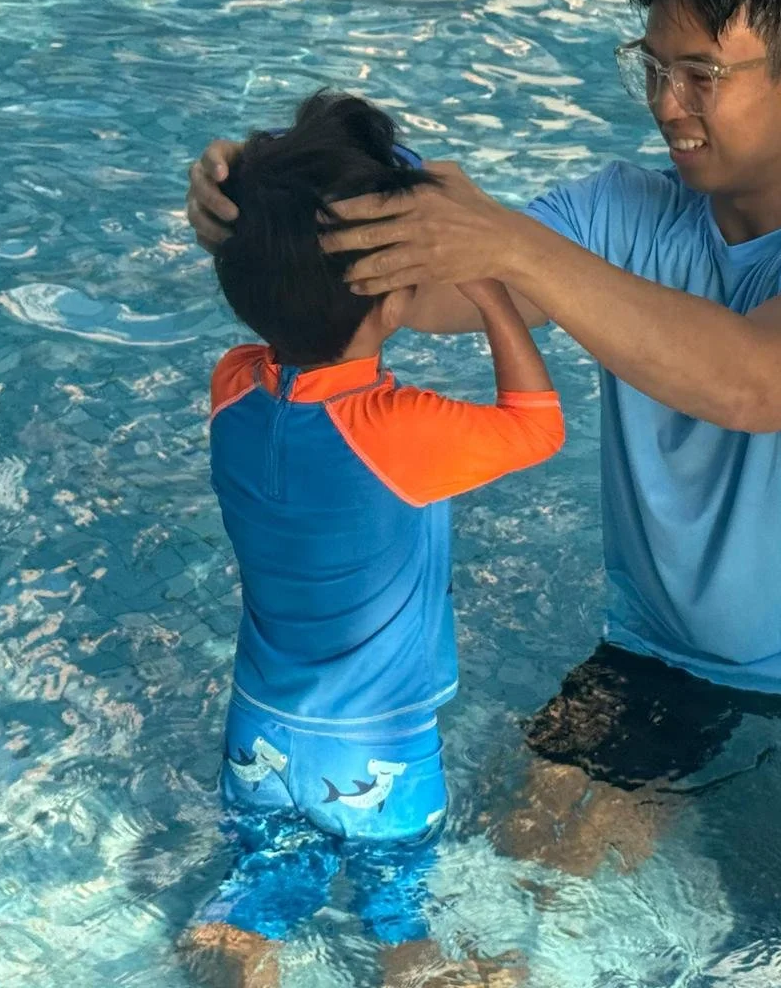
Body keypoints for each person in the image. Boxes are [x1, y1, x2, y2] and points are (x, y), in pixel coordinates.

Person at [188, 0, 781, 956]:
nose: (668, 104)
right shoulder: (620, 210)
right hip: (652, 663)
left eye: (701, 73)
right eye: (652, 66)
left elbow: (757, 381)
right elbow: (414, 296)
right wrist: (257, 221)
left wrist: (519, 251)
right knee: (484, 929)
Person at [183, 91, 563, 987]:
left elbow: (270, 287)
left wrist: (259, 208)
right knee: (401, 922)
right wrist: (485, 282)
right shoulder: (400, 430)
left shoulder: (232, 389)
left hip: (259, 737)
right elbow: (538, 425)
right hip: (380, 750)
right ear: (392, 290)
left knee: (258, 899)